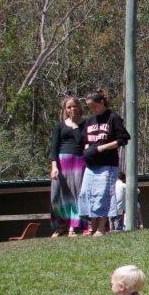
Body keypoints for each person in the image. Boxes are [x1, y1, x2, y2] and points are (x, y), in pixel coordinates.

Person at [78, 90, 130, 236]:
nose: (93, 109)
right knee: (86, 194)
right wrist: (87, 149)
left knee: (103, 195)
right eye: (90, 107)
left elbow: (123, 139)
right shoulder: (89, 120)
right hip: (91, 165)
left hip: (107, 164)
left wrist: (102, 147)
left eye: (94, 106)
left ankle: (101, 228)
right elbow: (85, 140)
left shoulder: (113, 117)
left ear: (102, 102)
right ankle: (92, 227)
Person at [49, 96, 85, 237]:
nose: (72, 109)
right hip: (62, 161)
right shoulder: (60, 125)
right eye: (68, 107)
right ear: (65, 109)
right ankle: (61, 225)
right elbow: (54, 148)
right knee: (57, 195)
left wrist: (75, 126)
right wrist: (54, 167)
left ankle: (73, 227)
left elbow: (81, 141)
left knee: (76, 194)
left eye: (74, 106)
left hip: (79, 161)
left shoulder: (86, 123)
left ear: (79, 107)